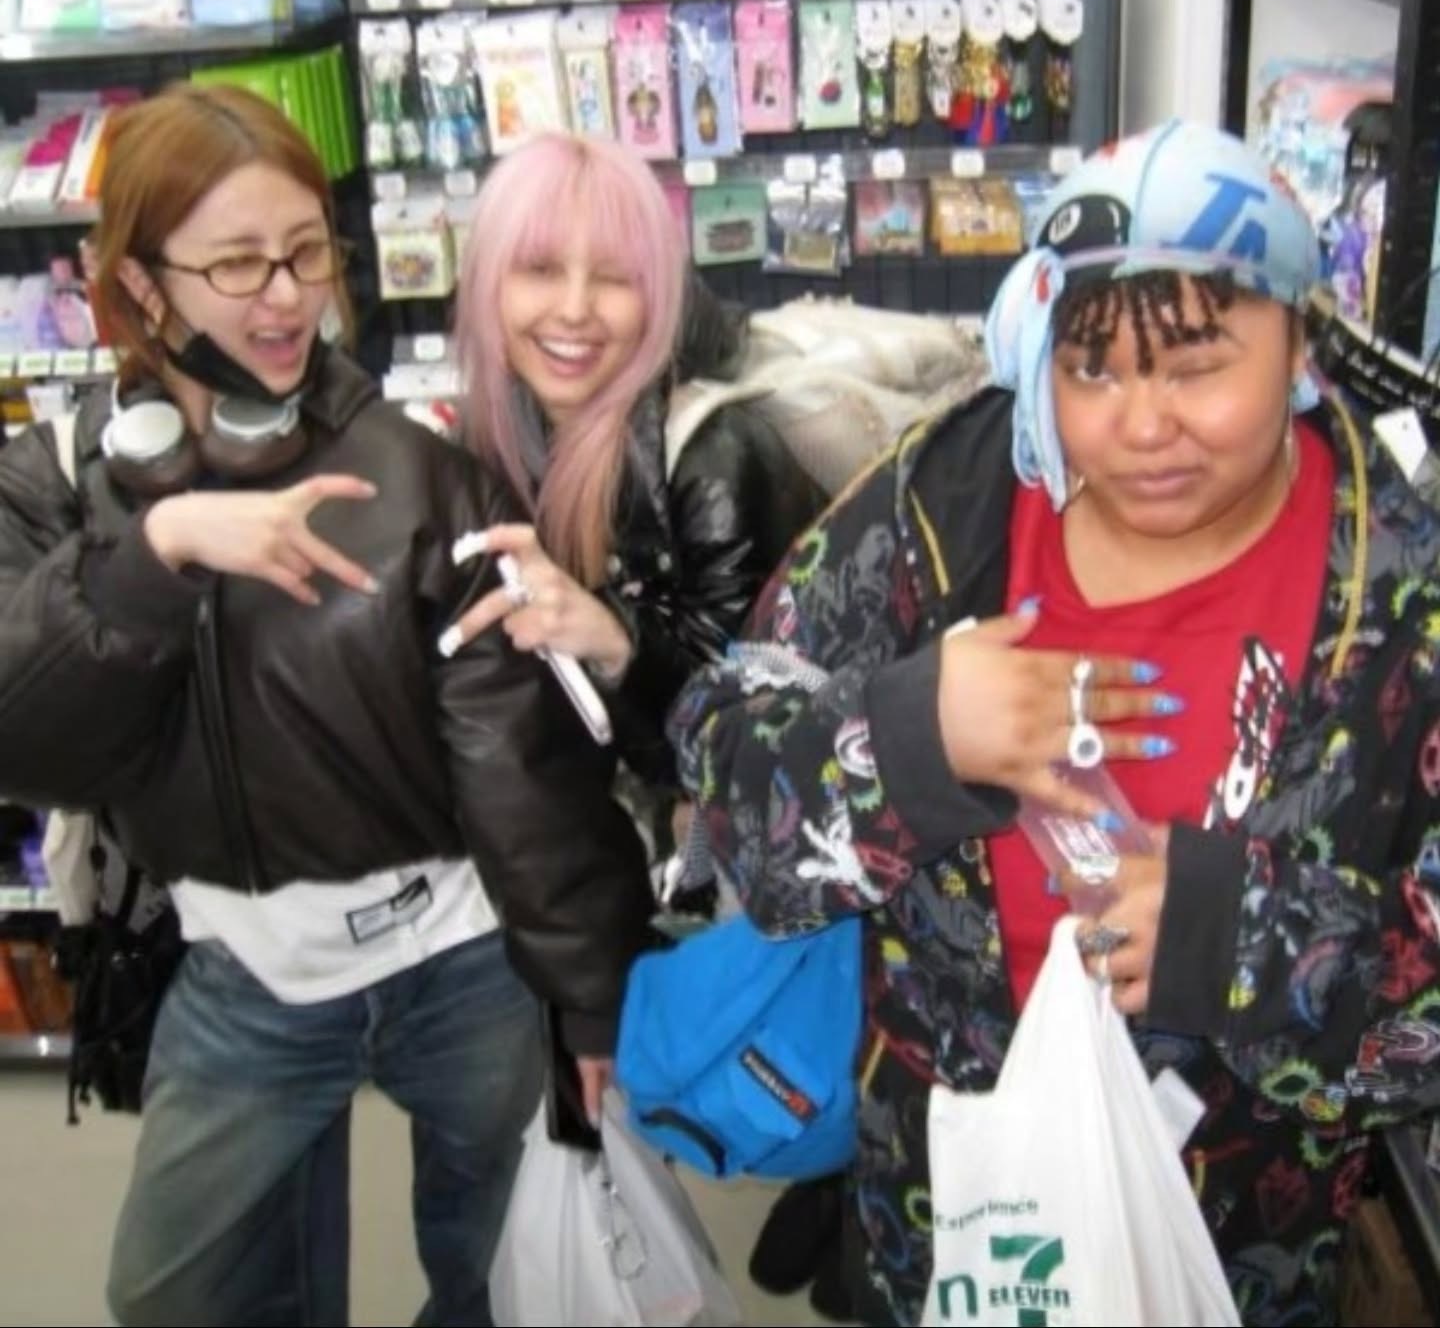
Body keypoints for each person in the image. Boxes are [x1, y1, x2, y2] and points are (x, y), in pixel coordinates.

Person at [668, 120, 1440, 1327]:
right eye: (1093, 369)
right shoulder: (953, 504)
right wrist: (908, 745)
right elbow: (719, 757)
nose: (1142, 424)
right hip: (947, 1219)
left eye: (1197, 365)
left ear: (1298, 341)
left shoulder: (1399, 595)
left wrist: (1234, 939)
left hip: (1230, 1252)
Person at [0, 84, 653, 1327]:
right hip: (247, 979)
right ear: (138, 285)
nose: (287, 297)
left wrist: (588, 997)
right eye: (237, 264)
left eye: (306, 252)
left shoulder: (419, 478)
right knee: (173, 1295)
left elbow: (519, 775)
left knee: (500, 1279)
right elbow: (26, 740)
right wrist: (159, 557)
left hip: (461, 967)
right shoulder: (67, 485)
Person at [441, 131, 827, 841]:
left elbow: (751, 751)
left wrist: (617, 643)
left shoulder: (715, 458)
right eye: (540, 269)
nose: (574, 309)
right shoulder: (478, 443)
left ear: (657, 295)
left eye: (614, 277)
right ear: (489, 280)